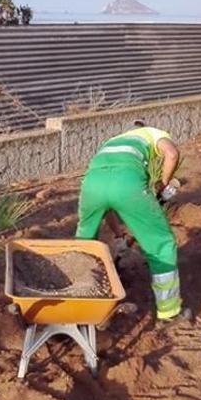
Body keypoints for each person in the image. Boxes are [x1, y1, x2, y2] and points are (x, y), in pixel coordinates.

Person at [75, 121, 184, 322]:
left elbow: (107, 202)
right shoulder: (153, 132)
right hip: (128, 183)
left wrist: (119, 235)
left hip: (91, 185)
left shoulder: (112, 141)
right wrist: (164, 182)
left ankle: (79, 300)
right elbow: (172, 154)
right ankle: (169, 310)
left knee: (84, 243)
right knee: (161, 244)